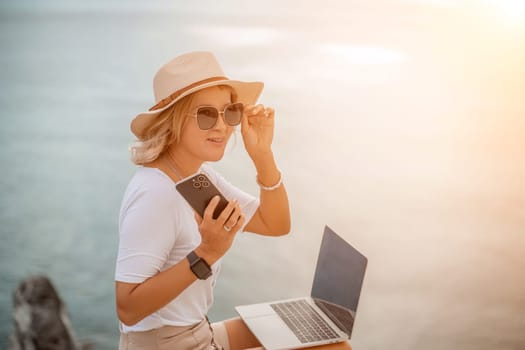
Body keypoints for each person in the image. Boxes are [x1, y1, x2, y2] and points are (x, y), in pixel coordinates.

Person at [114, 51, 291, 350]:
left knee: (292, 326)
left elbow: (274, 223)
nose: (222, 126)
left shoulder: (197, 176)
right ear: (173, 121)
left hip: (197, 331)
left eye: (230, 111)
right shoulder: (155, 194)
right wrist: (206, 253)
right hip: (164, 344)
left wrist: (263, 156)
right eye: (207, 114)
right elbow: (128, 308)